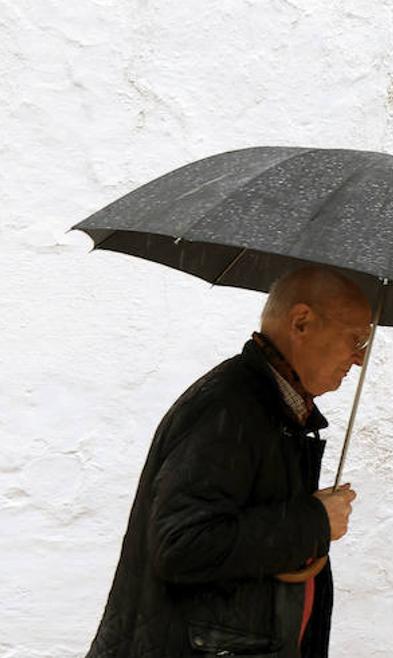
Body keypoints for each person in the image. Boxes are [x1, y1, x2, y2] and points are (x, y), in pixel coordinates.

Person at [87, 266, 370, 657]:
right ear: (301, 322)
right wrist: (313, 521)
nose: (359, 358)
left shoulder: (274, 410)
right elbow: (182, 545)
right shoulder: (229, 407)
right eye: (356, 339)